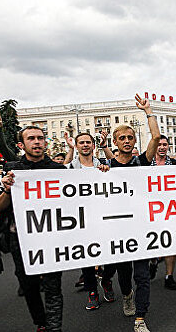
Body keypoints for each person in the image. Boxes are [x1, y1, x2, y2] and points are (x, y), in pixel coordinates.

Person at [0, 125, 67, 332]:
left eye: (40, 138)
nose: (37, 142)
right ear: (21, 144)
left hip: (52, 237)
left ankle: (54, 327)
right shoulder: (13, 169)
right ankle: (41, 323)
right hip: (21, 239)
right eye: (31, 138)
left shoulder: (58, 170)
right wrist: (8, 190)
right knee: (28, 285)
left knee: (53, 285)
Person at [100, 94, 160, 332]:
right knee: (124, 274)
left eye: (130, 137)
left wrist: (148, 111)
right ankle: (127, 296)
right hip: (118, 230)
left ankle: (140, 317)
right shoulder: (107, 168)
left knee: (142, 276)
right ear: (115, 142)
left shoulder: (142, 162)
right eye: (122, 138)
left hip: (141, 227)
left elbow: (156, 137)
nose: (126, 141)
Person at [63, 132, 110, 310]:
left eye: (88, 142)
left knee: (110, 255)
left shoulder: (102, 165)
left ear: (93, 145)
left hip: (103, 217)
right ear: (76, 146)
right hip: (80, 220)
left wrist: (107, 172)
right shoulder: (71, 168)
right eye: (81, 142)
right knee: (87, 258)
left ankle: (106, 280)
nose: (85, 145)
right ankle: (92, 292)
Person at [151, 135, 176, 291]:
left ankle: (169, 276)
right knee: (152, 242)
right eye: (159, 144)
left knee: (171, 243)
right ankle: (153, 260)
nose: (162, 147)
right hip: (149, 211)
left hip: (170, 210)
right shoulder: (144, 164)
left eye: (165, 144)